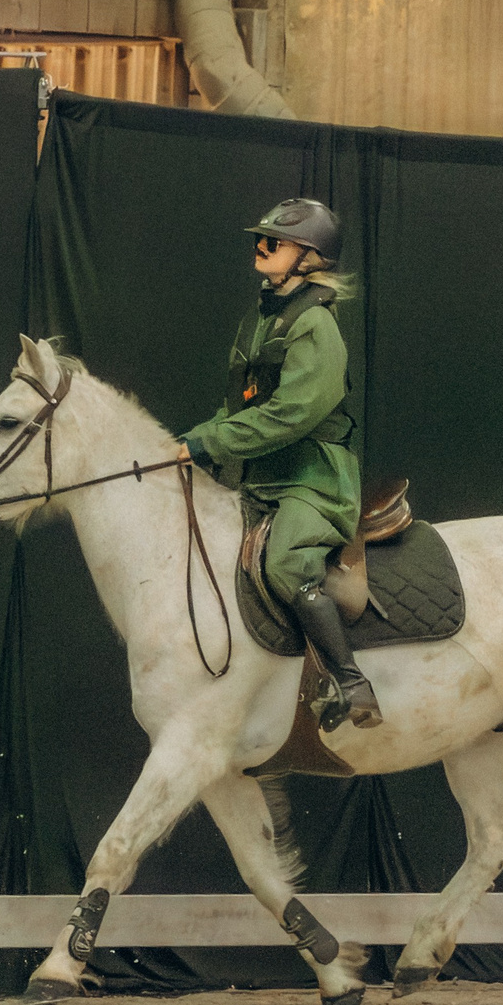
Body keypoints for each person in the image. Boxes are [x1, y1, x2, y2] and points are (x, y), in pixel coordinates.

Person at [181, 197, 381, 730]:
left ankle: (353, 683)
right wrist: (189, 441)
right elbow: (239, 407)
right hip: (263, 476)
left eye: (274, 241)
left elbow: (292, 414)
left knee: (286, 562)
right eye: (259, 239)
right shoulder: (258, 321)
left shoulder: (315, 325)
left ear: (311, 258)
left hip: (313, 481)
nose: (261, 246)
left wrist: (215, 444)